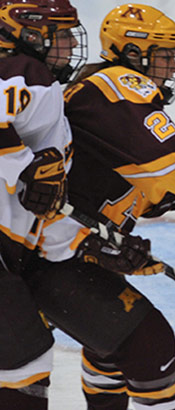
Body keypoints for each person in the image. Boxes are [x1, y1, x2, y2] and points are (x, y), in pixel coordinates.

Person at [26, 4, 175, 410]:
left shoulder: (101, 97)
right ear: (134, 55)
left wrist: (162, 203)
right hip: (46, 258)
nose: (174, 67)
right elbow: (162, 166)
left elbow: (121, 178)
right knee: (150, 345)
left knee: (110, 346)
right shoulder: (118, 83)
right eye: (165, 56)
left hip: (56, 252)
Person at [0, 1, 85, 408]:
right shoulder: (24, 72)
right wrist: (22, 165)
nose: (70, 45)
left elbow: (45, 199)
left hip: (9, 249)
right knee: (25, 359)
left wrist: (87, 242)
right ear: (31, 34)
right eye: (63, 35)